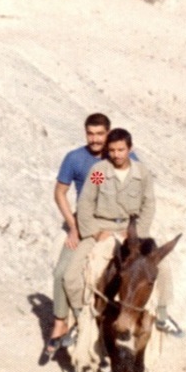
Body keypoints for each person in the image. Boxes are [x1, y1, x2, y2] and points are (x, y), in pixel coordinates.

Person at [63, 128, 184, 339]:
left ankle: (162, 315)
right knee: (71, 275)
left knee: (162, 267)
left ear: (130, 149)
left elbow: (148, 204)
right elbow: (86, 201)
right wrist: (95, 232)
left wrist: (137, 235)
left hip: (132, 230)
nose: (116, 154)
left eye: (121, 150)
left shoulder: (141, 173)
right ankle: (80, 318)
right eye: (112, 150)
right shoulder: (100, 172)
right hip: (102, 228)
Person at [43, 113, 121, 359]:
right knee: (63, 273)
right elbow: (79, 193)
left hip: (119, 222)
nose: (95, 139)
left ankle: (158, 313)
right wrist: (74, 225)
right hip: (87, 222)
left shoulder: (122, 158)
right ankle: (66, 321)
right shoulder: (84, 164)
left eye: (100, 134)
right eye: (90, 134)